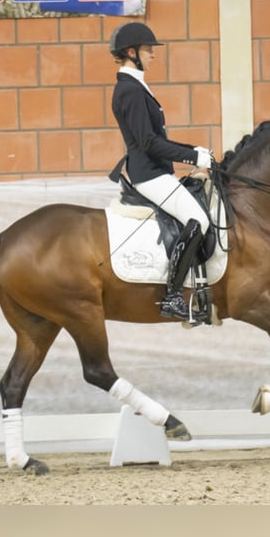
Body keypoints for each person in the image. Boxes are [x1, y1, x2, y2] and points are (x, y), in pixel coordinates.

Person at [108, 21, 214, 320]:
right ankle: (172, 296)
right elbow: (148, 142)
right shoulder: (128, 89)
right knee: (198, 220)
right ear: (131, 52)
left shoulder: (135, 84)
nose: (153, 54)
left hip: (156, 169)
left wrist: (194, 152)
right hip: (149, 174)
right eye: (148, 49)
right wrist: (193, 156)